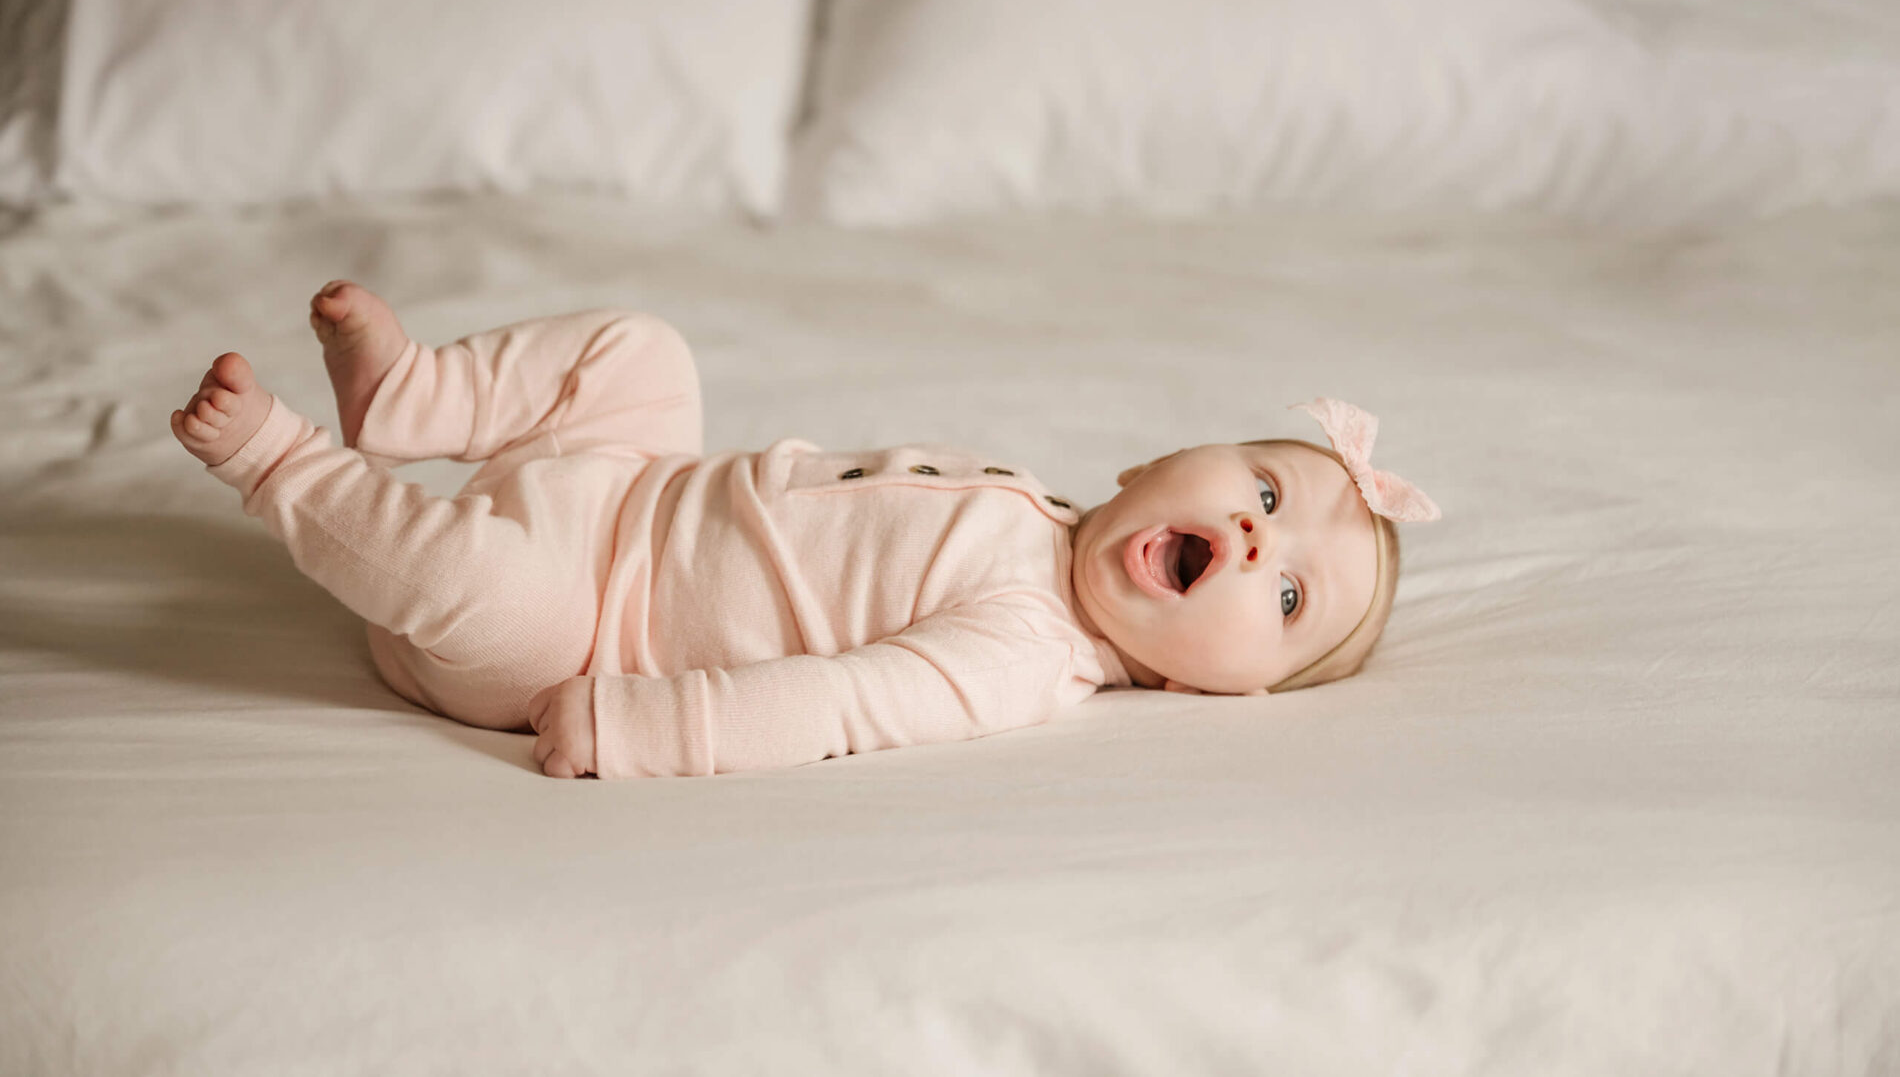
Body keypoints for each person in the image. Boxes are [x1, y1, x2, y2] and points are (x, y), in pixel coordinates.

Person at [171, 282, 1439, 779]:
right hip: (631, 486)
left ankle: (283, 465)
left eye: (1286, 601)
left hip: (578, 621)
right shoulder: (1042, 509)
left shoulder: (1024, 650)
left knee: (473, 579)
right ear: (1151, 463)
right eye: (1266, 494)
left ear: (1206, 684)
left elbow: (839, 701)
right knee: (644, 346)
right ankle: (416, 398)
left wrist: (646, 727)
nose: (1261, 543)